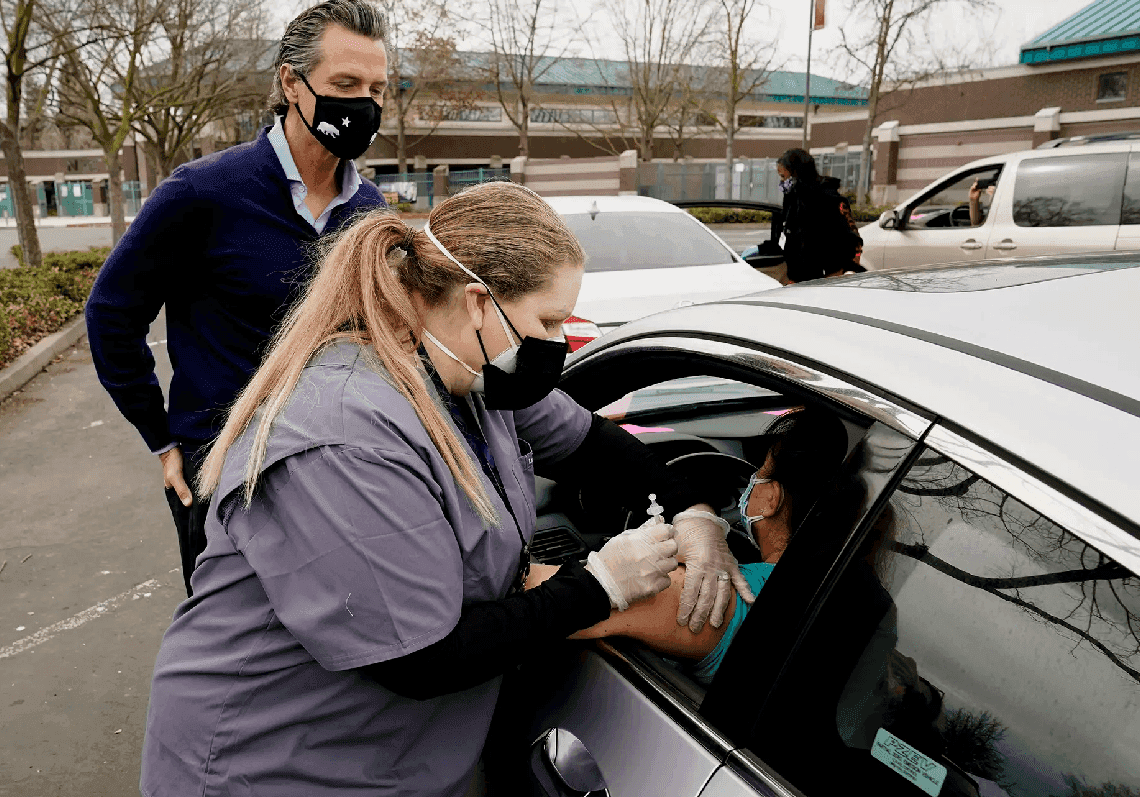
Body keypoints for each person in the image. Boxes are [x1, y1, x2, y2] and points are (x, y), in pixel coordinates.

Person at [140, 181, 754, 797]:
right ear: (479, 302)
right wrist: (600, 587)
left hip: (382, 753)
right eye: (548, 320)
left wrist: (694, 512)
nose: (558, 342)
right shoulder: (343, 437)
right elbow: (420, 659)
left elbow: (590, 444)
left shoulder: (471, 378)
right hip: (270, 758)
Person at [85, 0, 389, 597]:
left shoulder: (369, 214)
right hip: (224, 470)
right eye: (345, 83)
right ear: (291, 82)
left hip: (338, 466)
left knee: (332, 648)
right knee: (237, 659)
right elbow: (111, 314)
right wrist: (165, 439)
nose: (364, 104)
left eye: (378, 89)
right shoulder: (202, 193)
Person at [534, 407, 850, 684]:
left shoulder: (707, 592)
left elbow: (531, 598)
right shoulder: (865, 595)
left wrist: (610, 571)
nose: (751, 482)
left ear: (770, 498)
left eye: (761, 471)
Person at [767, 148, 865, 283]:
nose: (782, 183)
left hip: (824, 274)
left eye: (784, 177)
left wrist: (833, 274)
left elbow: (850, 236)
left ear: (796, 173)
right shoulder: (794, 200)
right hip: (802, 274)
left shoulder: (826, 198)